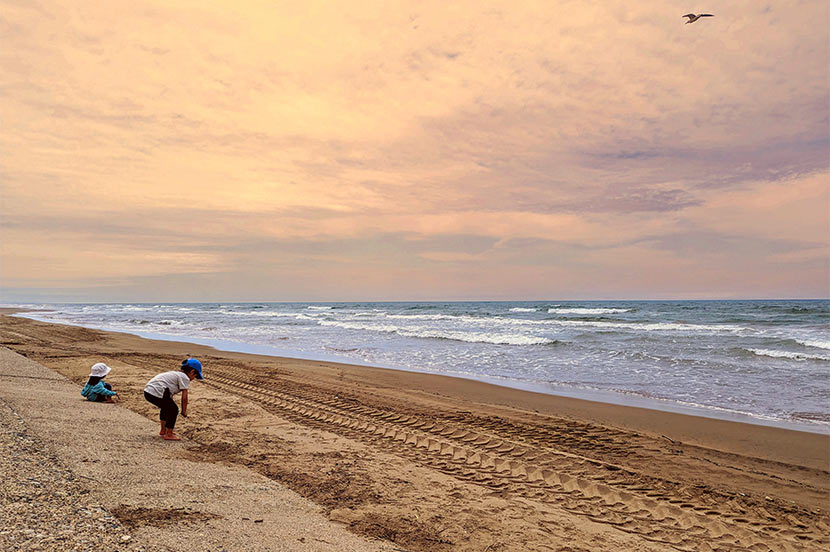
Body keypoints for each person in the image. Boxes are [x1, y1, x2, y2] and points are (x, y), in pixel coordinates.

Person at [143, 358, 203, 441]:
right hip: (157, 391)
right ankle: (169, 434)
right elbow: (184, 397)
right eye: (195, 376)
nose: (193, 379)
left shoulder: (175, 374)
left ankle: (163, 430)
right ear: (192, 372)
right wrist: (184, 411)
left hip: (148, 391)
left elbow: (168, 393)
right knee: (173, 409)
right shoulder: (185, 377)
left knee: (166, 407)